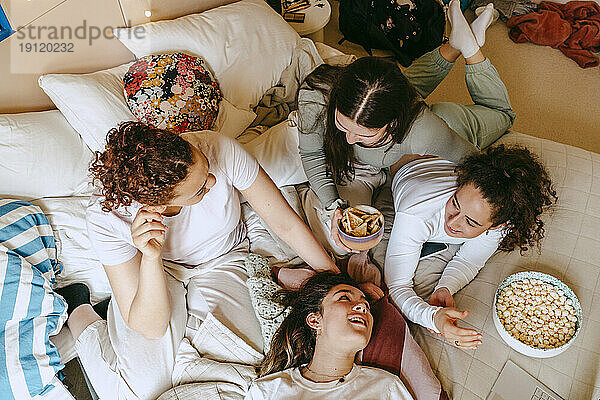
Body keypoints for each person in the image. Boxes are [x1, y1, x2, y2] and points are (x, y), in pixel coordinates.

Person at [59, 122, 338, 400]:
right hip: (157, 274)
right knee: (140, 392)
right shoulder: (106, 217)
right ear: (157, 205)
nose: (212, 182)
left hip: (225, 257)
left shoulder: (218, 147)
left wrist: (336, 280)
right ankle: (78, 307)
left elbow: (285, 223)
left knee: (257, 360)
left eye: (205, 169)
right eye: (200, 190)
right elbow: (152, 326)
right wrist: (152, 256)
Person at [297, 0, 515, 267]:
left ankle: (470, 50)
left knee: (504, 116)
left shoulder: (424, 130)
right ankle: (455, 44)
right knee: (404, 84)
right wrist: (333, 207)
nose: (349, 140)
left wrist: (488, 219)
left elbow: (479, 169)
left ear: (394, 124)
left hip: (445, 121)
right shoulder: (315, 95)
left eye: (364, 135)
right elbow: (311, 153)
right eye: (342, 126)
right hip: (395, 98)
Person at [385, 145, 557, 350]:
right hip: (407, 157)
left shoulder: (500, 220)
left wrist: (445, 287)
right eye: (455, 204)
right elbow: (397, 286)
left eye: (471, 222)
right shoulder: (415, 214)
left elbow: (468, 260)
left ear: (496, 225)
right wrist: (432, 318)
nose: (453, 223)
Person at [246, 272, 413, 399]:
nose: (363, 306)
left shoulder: (386, 387)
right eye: (344, 298)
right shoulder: (266, 391)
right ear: (314, 320)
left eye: (366, 305)